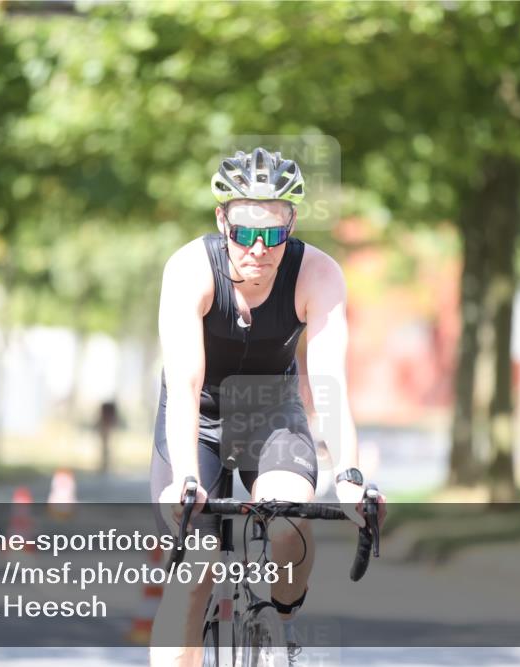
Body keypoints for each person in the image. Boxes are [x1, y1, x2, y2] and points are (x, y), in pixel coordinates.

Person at [150, 147, 387, 666]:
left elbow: (329, 381)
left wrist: (349, 476)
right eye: (244, 232)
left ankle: (280, 623)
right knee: (196, 571)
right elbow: (185, 385)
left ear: (292, 224)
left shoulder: (317, 274)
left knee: (288, 523)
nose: (258, 248)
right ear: (222, 221)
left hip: (271, 415)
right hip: (199, 418)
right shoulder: (191, 269)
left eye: (273, 234)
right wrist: (186, 479)